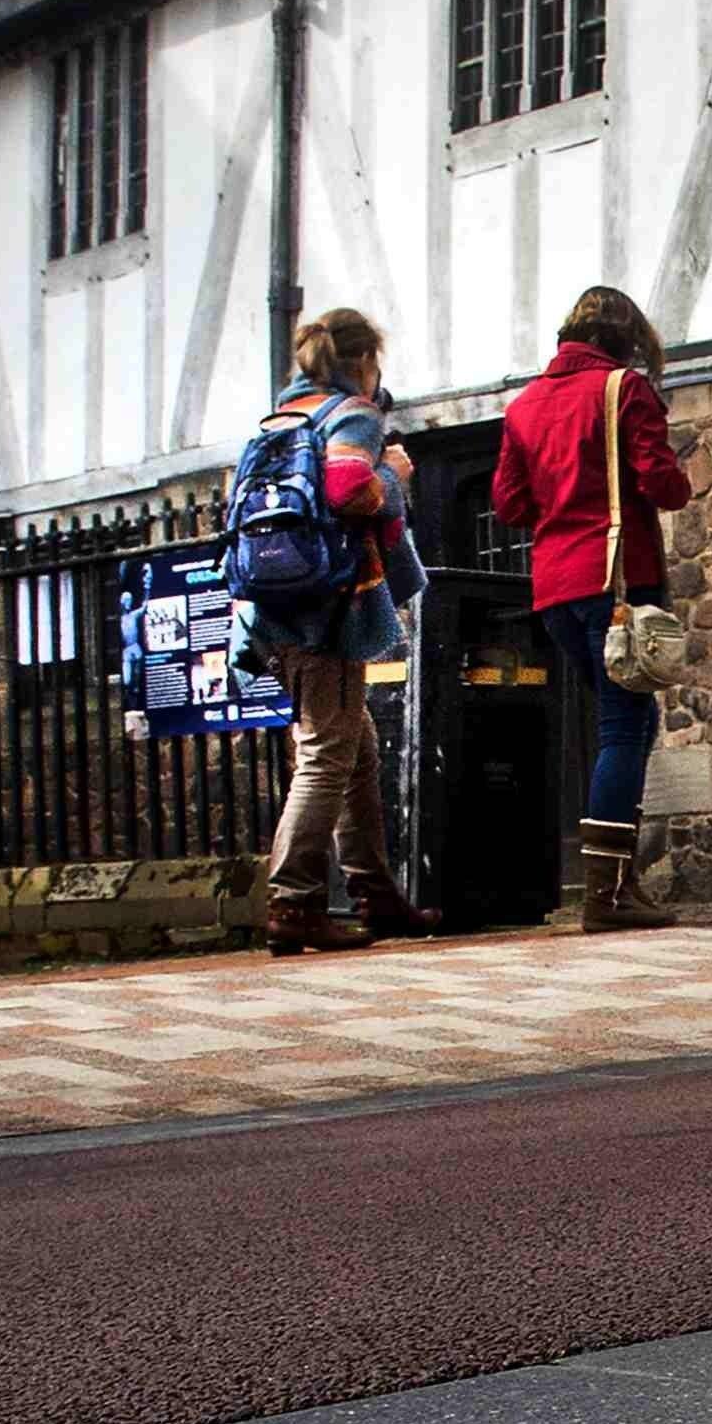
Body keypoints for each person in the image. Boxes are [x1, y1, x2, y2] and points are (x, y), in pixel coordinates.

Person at [491, 284, 692, 934]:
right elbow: (663, 483)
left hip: (555, 589)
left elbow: (511, 505)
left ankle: (615, 878)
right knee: (625, 725)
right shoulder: (624, 391)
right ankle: (607, 893)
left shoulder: (523, 406)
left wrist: (563, 495)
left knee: (619, 722)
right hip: (618, 583)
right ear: (624, 342)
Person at [249, 307, 437, 956]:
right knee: (328, 749)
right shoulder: (349, 412)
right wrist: (395, 476)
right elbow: (348, 486)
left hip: (278, 604)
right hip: (327, 609)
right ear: (362, 361)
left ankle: (373, 891)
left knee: (358, 745)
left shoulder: (281, 417)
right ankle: (293, 899)